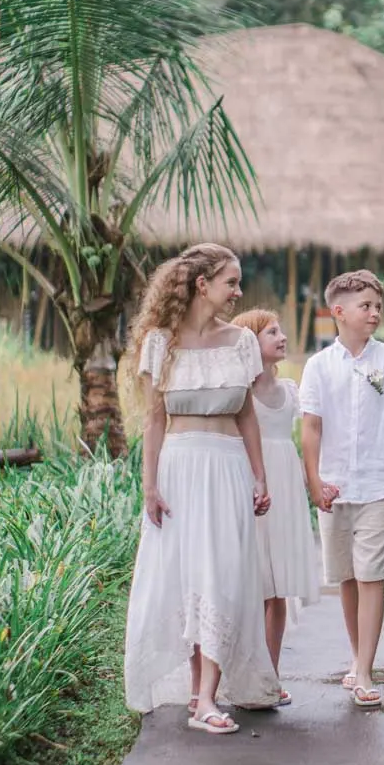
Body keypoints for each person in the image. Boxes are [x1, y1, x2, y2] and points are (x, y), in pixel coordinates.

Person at [123, 243, 281, 734]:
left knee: (224, 576)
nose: (238, 292)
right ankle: (199, 695)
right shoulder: (160, 343)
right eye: (231, 282)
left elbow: (247, 413)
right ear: (202, 285)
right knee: (189, 579)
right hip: (180, 467)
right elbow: (153, 419)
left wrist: (259, 474)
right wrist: (148, 486)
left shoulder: (240, 342)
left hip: (228, 467)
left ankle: (209, 696)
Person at [298, 269, 384, 709]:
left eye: (377, 307)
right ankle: (355, 658)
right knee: (346, 577)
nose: (374, 313)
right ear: (339, 312)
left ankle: (366, 669)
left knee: (372, 576)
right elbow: (310, 428)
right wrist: (313, 481)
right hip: (334, 487)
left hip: (376, 485)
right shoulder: (318, 366)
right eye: (366, 306)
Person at [231, 307, 321, 703]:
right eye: (272, 332)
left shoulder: (290, 391)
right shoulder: (240, 392)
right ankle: (241, 674)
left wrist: (312, 479)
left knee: (278, 587)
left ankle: (271, 675)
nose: (282, 337)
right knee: (252, 584)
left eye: (281, 330)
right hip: (251, 481)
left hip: (284, 484)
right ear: (252, 342)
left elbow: (303, 439)